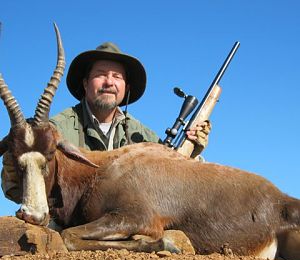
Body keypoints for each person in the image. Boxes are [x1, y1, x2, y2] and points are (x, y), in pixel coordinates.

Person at [1, 42, 211, 203]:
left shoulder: (143, 135)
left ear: (126, 88)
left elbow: (173, 181)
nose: (109, 82)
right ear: (85, 83)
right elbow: (17, 187)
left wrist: (192, 151)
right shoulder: (54, 130)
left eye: (117, 76)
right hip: (72, 226)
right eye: (101, 75)